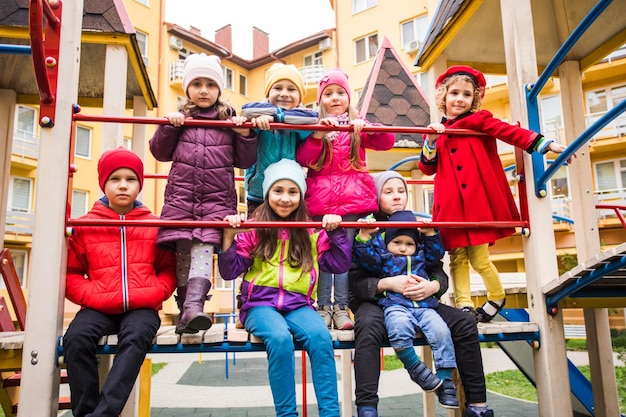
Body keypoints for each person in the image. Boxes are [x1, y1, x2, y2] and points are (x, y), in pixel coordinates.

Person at [418, 65, 571, 322]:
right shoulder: (439, 131)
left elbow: (510, 132)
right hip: (452, 206)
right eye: (454, 93)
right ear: (443, 97)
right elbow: (426, 168)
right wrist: (431, 141)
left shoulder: (480, 122)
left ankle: (497, 296)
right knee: (456, 257)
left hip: (476, 205)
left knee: (479, 258)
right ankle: (464, 306)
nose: (460, 99)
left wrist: (545, 144)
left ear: (473, 100)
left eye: (467, 95)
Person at [349, 170, 495, 417]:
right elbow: (356, 281)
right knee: (369, 327)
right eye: (388, 192)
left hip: (420, 299)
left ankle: (477, 405)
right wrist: (387, 284)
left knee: (465, 322)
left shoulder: (416, 224)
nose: (397, 197)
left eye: (401, 191)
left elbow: (437, 268)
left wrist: (433, 286)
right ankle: (367, 408)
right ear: (376, 196)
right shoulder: (366, 226)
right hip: (378, 299)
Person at [218, 158, 352, 417]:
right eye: (278, 191)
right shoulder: (255, 229)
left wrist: (336, 232)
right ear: (267, 194)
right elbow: (229, 270)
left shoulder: (310, 230)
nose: (285, 198)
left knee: (320, 338)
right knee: (279, 340)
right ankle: (287, 414)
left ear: (301, 197)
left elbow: (339, 262)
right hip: (260, 306)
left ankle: (330, 413)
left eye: (293, 192)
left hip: (299, 305)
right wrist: (228, 238)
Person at [63, 148, 177, 417]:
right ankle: (85, 411)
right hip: (98, 305)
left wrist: (157, 291)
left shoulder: (153, 224)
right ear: (104, 183)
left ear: (140, 184)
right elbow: (70, 273)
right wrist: (91, 294)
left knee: (136, 336)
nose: (123, 185)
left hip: (141, 306)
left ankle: (104, 414)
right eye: (115, 179)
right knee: (76, 339)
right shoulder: (85, 226)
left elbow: (168, 268)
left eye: (131, 179)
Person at [149, 53, 257, 334]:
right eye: (196, 84)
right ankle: (187, 312)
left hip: (216, 202)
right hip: (182, 200)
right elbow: (159, 152)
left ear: (219, 89)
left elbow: (243, 161)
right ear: (187, 89)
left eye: (210, 84)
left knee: (203, 251)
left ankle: (194, 307)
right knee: (184, 254)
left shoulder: (227, 118)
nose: (204, 90)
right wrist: (167, 127)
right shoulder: (180, 119)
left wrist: (245, 135)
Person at [296, 68, 395, 330]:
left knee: (343, 256)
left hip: (351, 203)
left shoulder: (356, 126)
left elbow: (387, 142)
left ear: (349, 98)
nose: (335, 98)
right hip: (321, 202)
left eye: (341, 93)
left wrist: (370, 127)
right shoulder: (315, 126)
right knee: (322, 255)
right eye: (328, 94)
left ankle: (340, 308)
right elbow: (304, 158)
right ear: (320, 101)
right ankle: (322, 306)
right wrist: (317, 135)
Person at [353, 210, 459, 408]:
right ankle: (415, 367)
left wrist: (429, 234)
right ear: (388, 243)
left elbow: (436, 253)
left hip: (425, 307)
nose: (403, 248)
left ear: (416, 245)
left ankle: (445, 380)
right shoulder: (383, 257)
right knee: (399, 329)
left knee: (441, 331)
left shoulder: (422, 256)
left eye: (409, 243)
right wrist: (365, 236)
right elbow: (365, 258)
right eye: (397, 242)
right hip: (395, 305)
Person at [241, 63, 318, 214]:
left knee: (287, 234)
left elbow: (313, 118)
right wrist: (264, 118)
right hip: (258, 192)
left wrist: (276, 118)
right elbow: (246, 110)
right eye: (277, 88)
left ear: (300, 96)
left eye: (291, 89)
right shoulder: (259, 111)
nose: (284, 93)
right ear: (268, 93)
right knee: (255, 234)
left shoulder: (301, 116)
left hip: (288, 193)